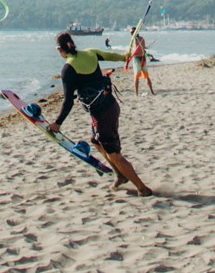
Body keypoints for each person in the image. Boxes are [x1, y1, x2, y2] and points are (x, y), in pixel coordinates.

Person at [48, 32, 153, 196]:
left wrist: (57, 123)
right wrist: (125, 56)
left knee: (115, 155)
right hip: (111, 106)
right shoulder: (91, 53)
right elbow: (111, 55)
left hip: (102, 114)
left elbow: (68, 101)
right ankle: (120, 175)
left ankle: (142, 188)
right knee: (96, 141)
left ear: (59, 50)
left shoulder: (68, 69)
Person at [125, 29, 154, 97]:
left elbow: (139, 49)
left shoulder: (139, 39)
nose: (131, 33)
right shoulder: (135, 40)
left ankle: (151, 91)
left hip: (140, 58)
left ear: (135, 32)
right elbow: (135, 49)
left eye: (132, 32)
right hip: (138, 58)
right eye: (130, 33)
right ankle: (136, 94)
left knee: (145, 76)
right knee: (137, 76)